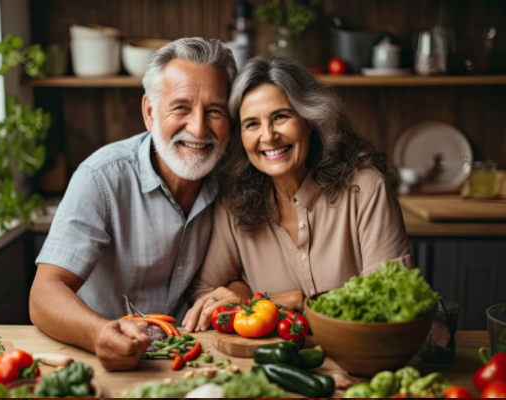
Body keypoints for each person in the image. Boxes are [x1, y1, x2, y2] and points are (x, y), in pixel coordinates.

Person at [30, 37, 250, 372]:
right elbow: (44, 293)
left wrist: (237, 292)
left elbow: (240, 274)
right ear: (150, 112)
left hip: (192, 360)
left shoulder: (234, 178)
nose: (198, 127)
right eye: (181, 107)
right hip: (103, 359)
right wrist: (99, 333)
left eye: (215, 111)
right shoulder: (101, 176)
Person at [183, 56, 412, 332]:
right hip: (269, 365)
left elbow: (391, 299)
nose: (268, 136)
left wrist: (297, 304)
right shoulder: (234, 201)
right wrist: (242, 294)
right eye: (252, 124)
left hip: (357, 362)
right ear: (240, 138)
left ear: (310, 120)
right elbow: (205, 293)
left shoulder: (364, 188)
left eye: (280, 117)